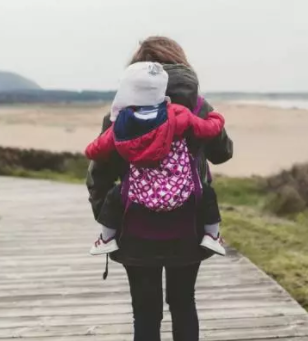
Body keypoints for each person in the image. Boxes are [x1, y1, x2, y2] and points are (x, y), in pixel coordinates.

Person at [86, 36, 233, 341]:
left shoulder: (121, 112)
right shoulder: (198, 105)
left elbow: (99, 172)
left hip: (135, 227)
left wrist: (109, 218)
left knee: (145, 310)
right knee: (183, 303)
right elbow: (223, 153)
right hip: (188, 225)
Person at [85, 61, 226, 257]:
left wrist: (92, 149)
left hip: (139, 192)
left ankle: (106, 239)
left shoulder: (121, 123)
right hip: (180, 190)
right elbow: (207, 129)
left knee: (113, 197)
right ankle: (212, 235)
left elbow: (96, 150)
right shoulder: (177, 114)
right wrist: (216, 118)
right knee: (208, 194)